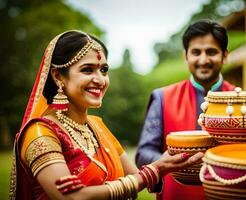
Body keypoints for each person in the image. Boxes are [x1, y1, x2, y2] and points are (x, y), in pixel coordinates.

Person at [9, 30, 204, 200]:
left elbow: (139, 178)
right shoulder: (40, 134)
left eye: (104, 70)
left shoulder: (97, 126)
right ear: (58, 76)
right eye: (87, 70)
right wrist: (152, 172)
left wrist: (170, 162)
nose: (100, 79)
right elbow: (71, 197)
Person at [135, 19, 236, 200]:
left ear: (225, 55)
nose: (203, 60)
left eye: (211, 52)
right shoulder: (162, 97)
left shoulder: (241, 100)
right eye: (196, 52)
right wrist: (167, 163)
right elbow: (143, 153)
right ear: (186, 56)